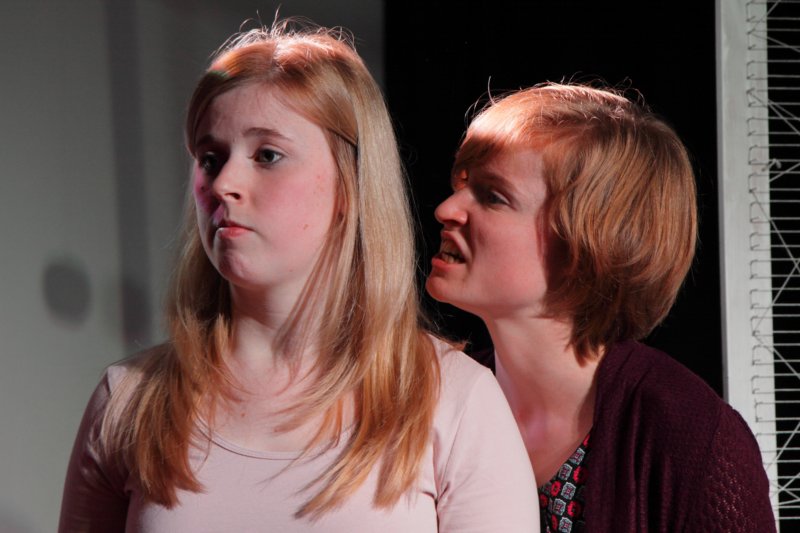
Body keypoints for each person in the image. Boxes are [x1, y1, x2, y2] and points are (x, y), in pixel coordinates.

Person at [58, 22, 538, 532]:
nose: (223, 183)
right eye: (210, 158)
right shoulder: (130, 401)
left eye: (267, 155)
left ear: (349, 182)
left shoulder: (454, 401)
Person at [426, 82, 775, 532]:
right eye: (460, 184)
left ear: (587, 241)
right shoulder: (436, 403)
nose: (447, 209)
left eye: (493, 196)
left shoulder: (694, 436)